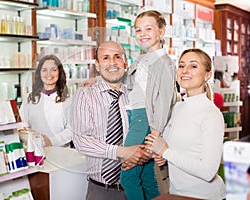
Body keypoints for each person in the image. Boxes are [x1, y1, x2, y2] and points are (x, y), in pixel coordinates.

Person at [71, 41, 151, 200]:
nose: (112, 62)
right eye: (105, 58)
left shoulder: (137, 94)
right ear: (97, 65)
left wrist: (145, 153)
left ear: (125, 63)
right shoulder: (85, 95)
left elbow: (150, 129)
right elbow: (81, 140)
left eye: (117, 57)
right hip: (102, 191)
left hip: (137, 186)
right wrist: (122, 152)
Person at [146, 48, 226, 199]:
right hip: (177, 194)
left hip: (205, 196)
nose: (185, 70)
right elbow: (178, 151)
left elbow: (208, 172)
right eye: (181, 66)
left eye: (193, 66)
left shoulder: (211, 114)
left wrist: (165, 152)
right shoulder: (176, 108)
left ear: (208, 75)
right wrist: (163, 156)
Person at [120, 10, 176, 200]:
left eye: (148, 29)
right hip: (135, 116)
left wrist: (155, 133)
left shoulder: (165, 63)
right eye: (138, 30)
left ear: (161, 31)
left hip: (146, 120)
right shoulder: (141, 60)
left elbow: (164, 101)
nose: (142, 34)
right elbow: (125, 84)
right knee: (146, 176)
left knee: (128, 177)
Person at [19, 54, 72, 147]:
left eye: (53, 70)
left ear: (60, 73)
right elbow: (22, 125)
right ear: (39, 73)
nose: (49, 74)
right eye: (44, 70)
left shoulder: (68, 100)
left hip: (61, 152)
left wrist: (50, 141)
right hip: (34, 151)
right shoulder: (30, 99)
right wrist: (33, 139)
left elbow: (72, 130)